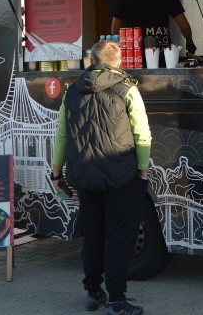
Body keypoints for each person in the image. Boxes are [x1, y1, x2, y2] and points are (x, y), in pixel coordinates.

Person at [51, 40, 152, 315]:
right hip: (122, 175)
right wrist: (142, 170)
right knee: (119, 237)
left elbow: (61, 135)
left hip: (84, 176)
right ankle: (117, 301)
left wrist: (56, 173)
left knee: (93, 235)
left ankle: (94, 293)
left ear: (91, 61)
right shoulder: (128, 89)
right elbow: (142, 133)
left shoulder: (72, 91)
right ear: (118, 61)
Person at [111, 0, 196, 59]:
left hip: (135, 57)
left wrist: (126, 50)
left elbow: (114, 30)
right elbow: (184, 26)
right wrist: (190, 43)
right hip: (163, 54)